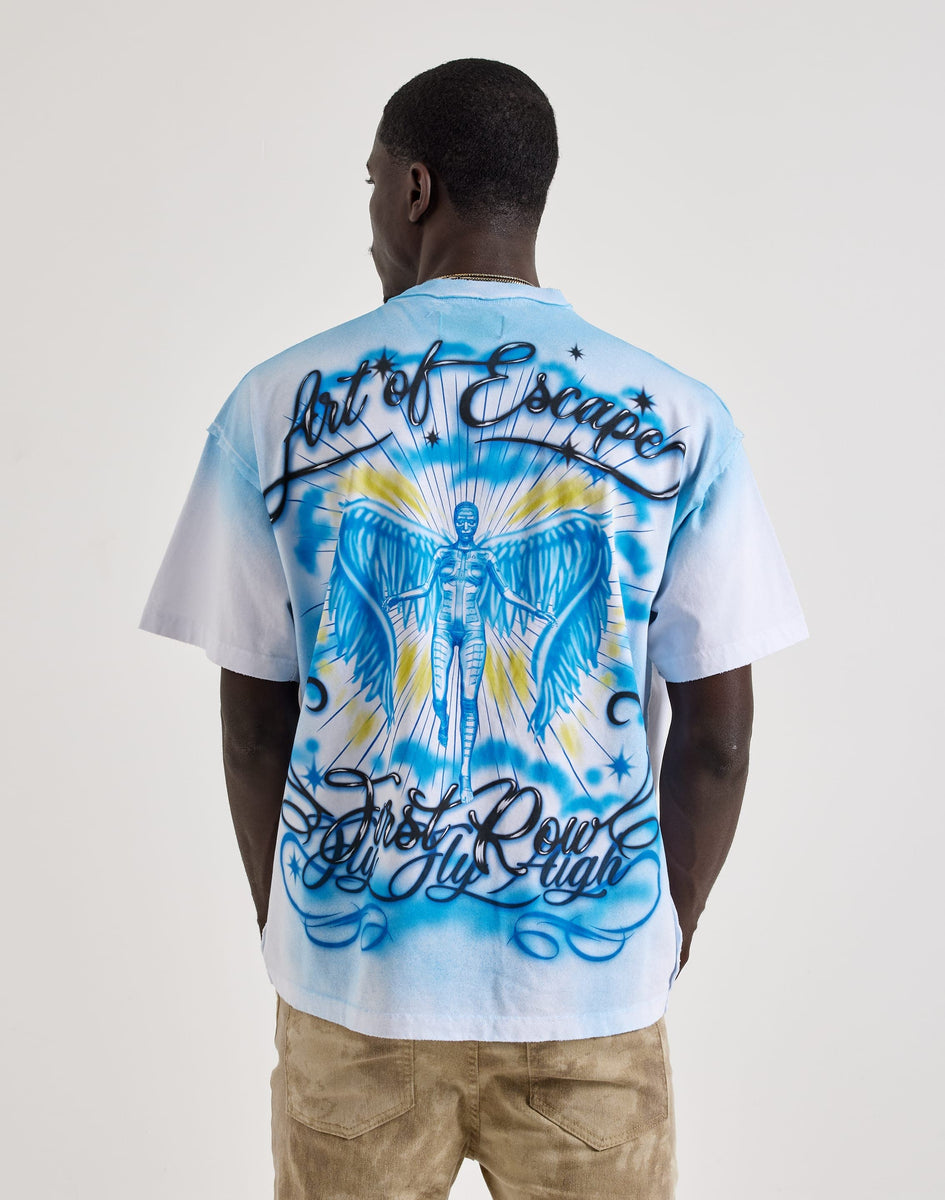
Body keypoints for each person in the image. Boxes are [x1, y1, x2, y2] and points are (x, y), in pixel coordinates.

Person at [141, 58, 807, 1200]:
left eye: (370, 183)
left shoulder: (272, 402)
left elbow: (255, 721)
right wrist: (658, 937)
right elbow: (719, 740)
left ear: (414, 188)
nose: (368, 213)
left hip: (355, 994)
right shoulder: (685, 419)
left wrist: (294, 933)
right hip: (588, 1008)